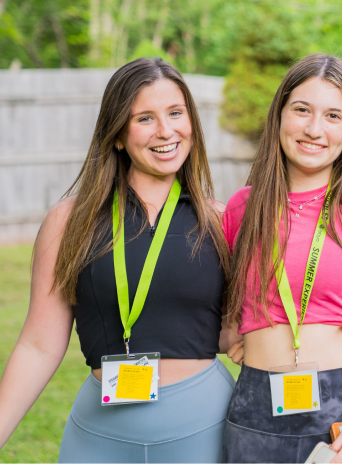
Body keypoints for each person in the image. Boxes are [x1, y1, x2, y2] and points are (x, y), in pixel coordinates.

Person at [0, 58, 240, 462]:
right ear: (116, 135)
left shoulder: (222, 221)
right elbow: (39, 345)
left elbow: (239, 334)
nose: (166, 131)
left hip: (204, 433)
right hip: (99, 439)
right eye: (145, 118)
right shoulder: (68, 222)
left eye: (176, 113)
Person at [220, 54, 342, 464]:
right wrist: (235, 333)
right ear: (280, 116)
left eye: (333, 116)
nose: (313, 129)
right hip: (256, 418)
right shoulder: (241, 210)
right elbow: (223, 316)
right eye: (301, 110)